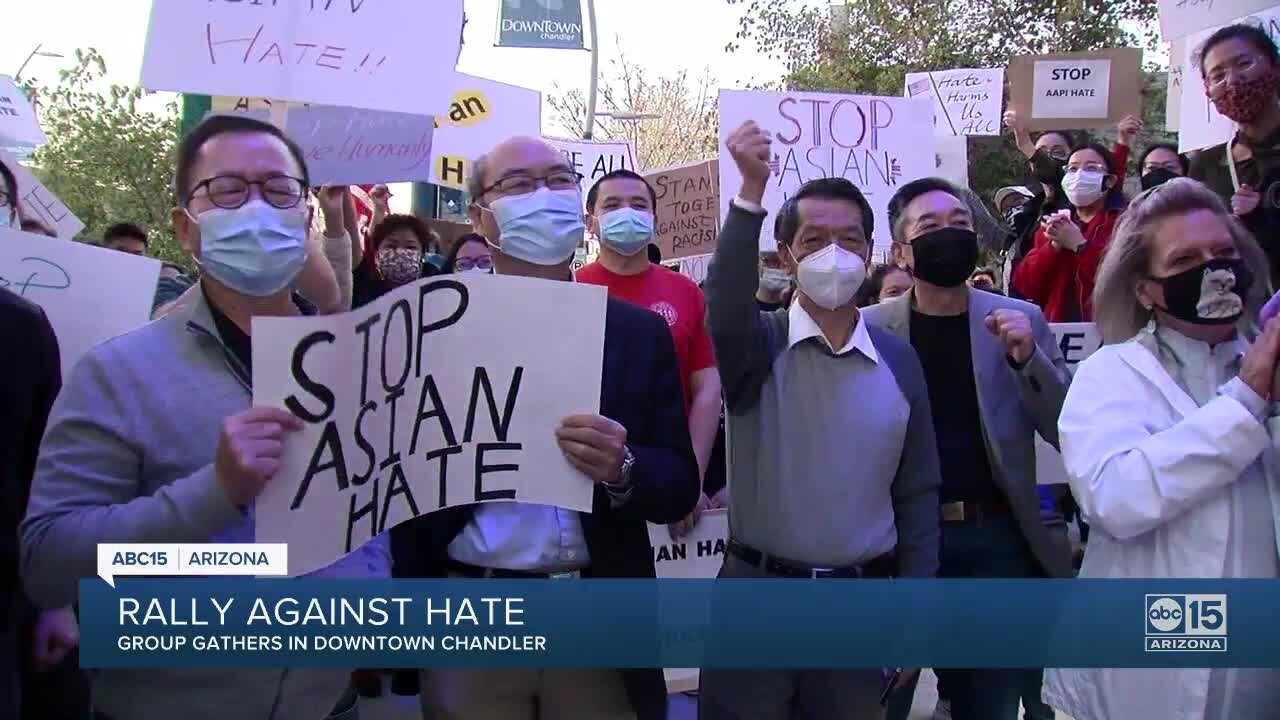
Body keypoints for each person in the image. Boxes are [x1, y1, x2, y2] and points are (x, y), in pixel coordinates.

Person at [20, 114, 378, 720]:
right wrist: (213, 494)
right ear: (187, 231)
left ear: (306, 219)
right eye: (229, 191)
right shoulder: (117, 372)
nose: (258, 209)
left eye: (279, 190)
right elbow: (49, 566)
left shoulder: (364, 364)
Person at [395, 135, 698, 720]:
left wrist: (624, 468)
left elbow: (678, 481)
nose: (544, 196)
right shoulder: (427, 333)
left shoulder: (636, 334)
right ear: (482, 216)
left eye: (559, 181)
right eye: (519, 184)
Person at [699, 120, 941, 719]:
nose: (834, 254)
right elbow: (723, 306)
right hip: (756, 603)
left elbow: (918, 494)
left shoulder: (898, 359)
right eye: (812, 240)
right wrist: (750, 192)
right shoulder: (758, 346)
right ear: (785, 255)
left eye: (850, 239)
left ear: (871, 251)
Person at [1044, 178, 1280, 720]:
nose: (1214, 269)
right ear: (1145, 289)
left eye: (1223, 253)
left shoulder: (1264, 358)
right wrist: (1246, 401)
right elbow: (1116, 498)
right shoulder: (1112, 373)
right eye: (1185, 261)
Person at [867, 177, 1072, 720]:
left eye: (959, 224)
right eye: (930, 227)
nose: (949, 236)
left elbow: (1065, 427)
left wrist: (1029, 361)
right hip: (895, 545)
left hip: (993, 541)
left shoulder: (1019, 318)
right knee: (876, 700)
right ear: (900, 250)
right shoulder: (868, 329)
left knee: (990, 704)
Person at [576, 169, 722, 538]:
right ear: (590, 221)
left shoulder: (686, 291)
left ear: (654, 220)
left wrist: (691, 480)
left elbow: (706, 389)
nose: (627, 212)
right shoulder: (570, 287)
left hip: (665, 472)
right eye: (612, 205)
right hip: (586, 476)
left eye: (638, 205)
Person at [1189, 23, 1280, 286]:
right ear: (1208, 91)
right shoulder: (1204, 166)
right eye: (1218, 75)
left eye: (1243, 63)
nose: (1232, 81)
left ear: (1274, 67)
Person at [1011, 143, 1126, 322]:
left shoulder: (1123, 224)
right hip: (1060, 333)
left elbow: (1122, 280)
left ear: (1109, 180)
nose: (1079, 175)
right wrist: (1053, 248)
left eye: (1091, 168)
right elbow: (1026, 285)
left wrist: (1081, 247)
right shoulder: (1053, 223)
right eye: (1072, 169)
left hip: (1109, 329)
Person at [351, 212, 439, 308]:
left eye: (410, 247)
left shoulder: (435, 281)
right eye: (391, 246)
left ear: (422, 254)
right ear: (377, 254)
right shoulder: (362, 284)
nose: (401, 251)